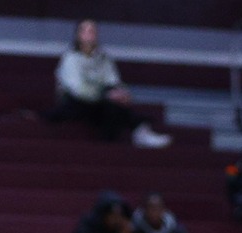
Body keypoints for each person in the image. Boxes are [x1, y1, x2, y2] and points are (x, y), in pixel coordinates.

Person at [46, 19, 171, 148]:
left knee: (114, 106)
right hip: (75, 102)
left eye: (93, 30)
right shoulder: (70, 58)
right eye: (85, 30)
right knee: (107, 107)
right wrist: (105, 95)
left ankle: (136, 133)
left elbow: (113, 80)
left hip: (100, 101)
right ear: (78, 34)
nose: (90, 34)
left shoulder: (103, 58)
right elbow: (77, 88)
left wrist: (122, 93)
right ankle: (138, 129)